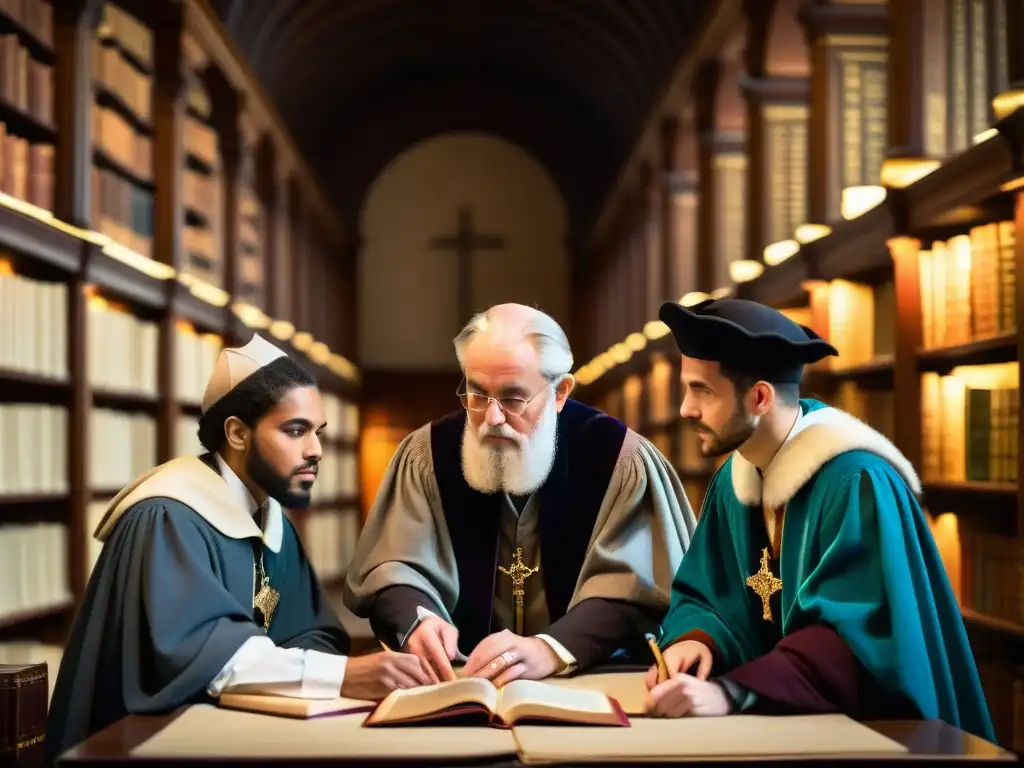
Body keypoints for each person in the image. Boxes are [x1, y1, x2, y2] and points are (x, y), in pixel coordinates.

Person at [46, 334, 428, 761]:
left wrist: (296, 670)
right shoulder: (169, 518)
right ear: (237, 433)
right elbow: (198, 657)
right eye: (295, 430)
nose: (316, 450)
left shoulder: (269, 519)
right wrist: (340, 675)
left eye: (318, 432)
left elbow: (314, 632)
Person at [643, 297, 994, 740]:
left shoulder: (856, 482)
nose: (684, 410)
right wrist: (697, 640)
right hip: (775, 728)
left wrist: (732, 693)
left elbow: (856, 637)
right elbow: (708, 596)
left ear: (759, 398)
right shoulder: (736, 480)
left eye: (702, 391)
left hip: (875, 735)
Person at [343, 303, 696, 686]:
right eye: (477, 394)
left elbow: (638, 587)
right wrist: (418, 618)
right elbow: (394, 565)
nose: (492, 418)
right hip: (459, 683)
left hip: (585, 682)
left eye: (513, 399)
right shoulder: (428, 455)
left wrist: (552, 648)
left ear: (560, 392)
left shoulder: (618, 458)